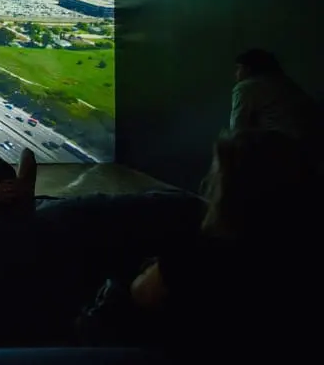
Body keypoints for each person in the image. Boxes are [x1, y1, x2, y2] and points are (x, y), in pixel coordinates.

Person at [80, 129, 319, 352]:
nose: (208, 182)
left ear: (232, 194)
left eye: (217, 176)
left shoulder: (199, 254)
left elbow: (141, 293)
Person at [229, 49, 316, 140]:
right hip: (310, 139)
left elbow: (237, 129)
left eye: (238, 68)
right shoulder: (286, 82)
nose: (236, 73)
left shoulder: (245, 87)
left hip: (278, 141)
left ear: (248, 69)